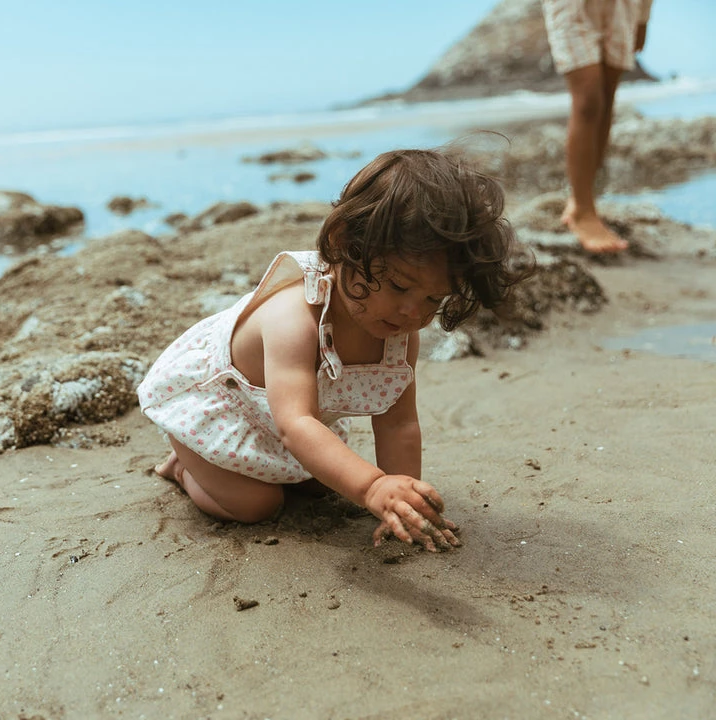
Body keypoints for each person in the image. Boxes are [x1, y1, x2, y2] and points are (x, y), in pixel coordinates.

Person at [137, 147, 531, 552]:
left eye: (434, 299)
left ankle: (259, 470)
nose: (413, 311)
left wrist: (400, 502)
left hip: (285, 421)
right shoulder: (293, 319)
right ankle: (184, 469)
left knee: (316, 486)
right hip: (217, 412)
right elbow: (297, 425)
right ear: (345, 243)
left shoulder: (398, 328)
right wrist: (374, 486)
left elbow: (398, 424)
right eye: (398, 286)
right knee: (257, 504)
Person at [541, 0, 654, 253]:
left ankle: (584, 198)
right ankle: (582, 210)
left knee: (605, 99)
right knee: (589, 101)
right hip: (574, 6)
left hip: (624, 6)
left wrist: (644, 17)